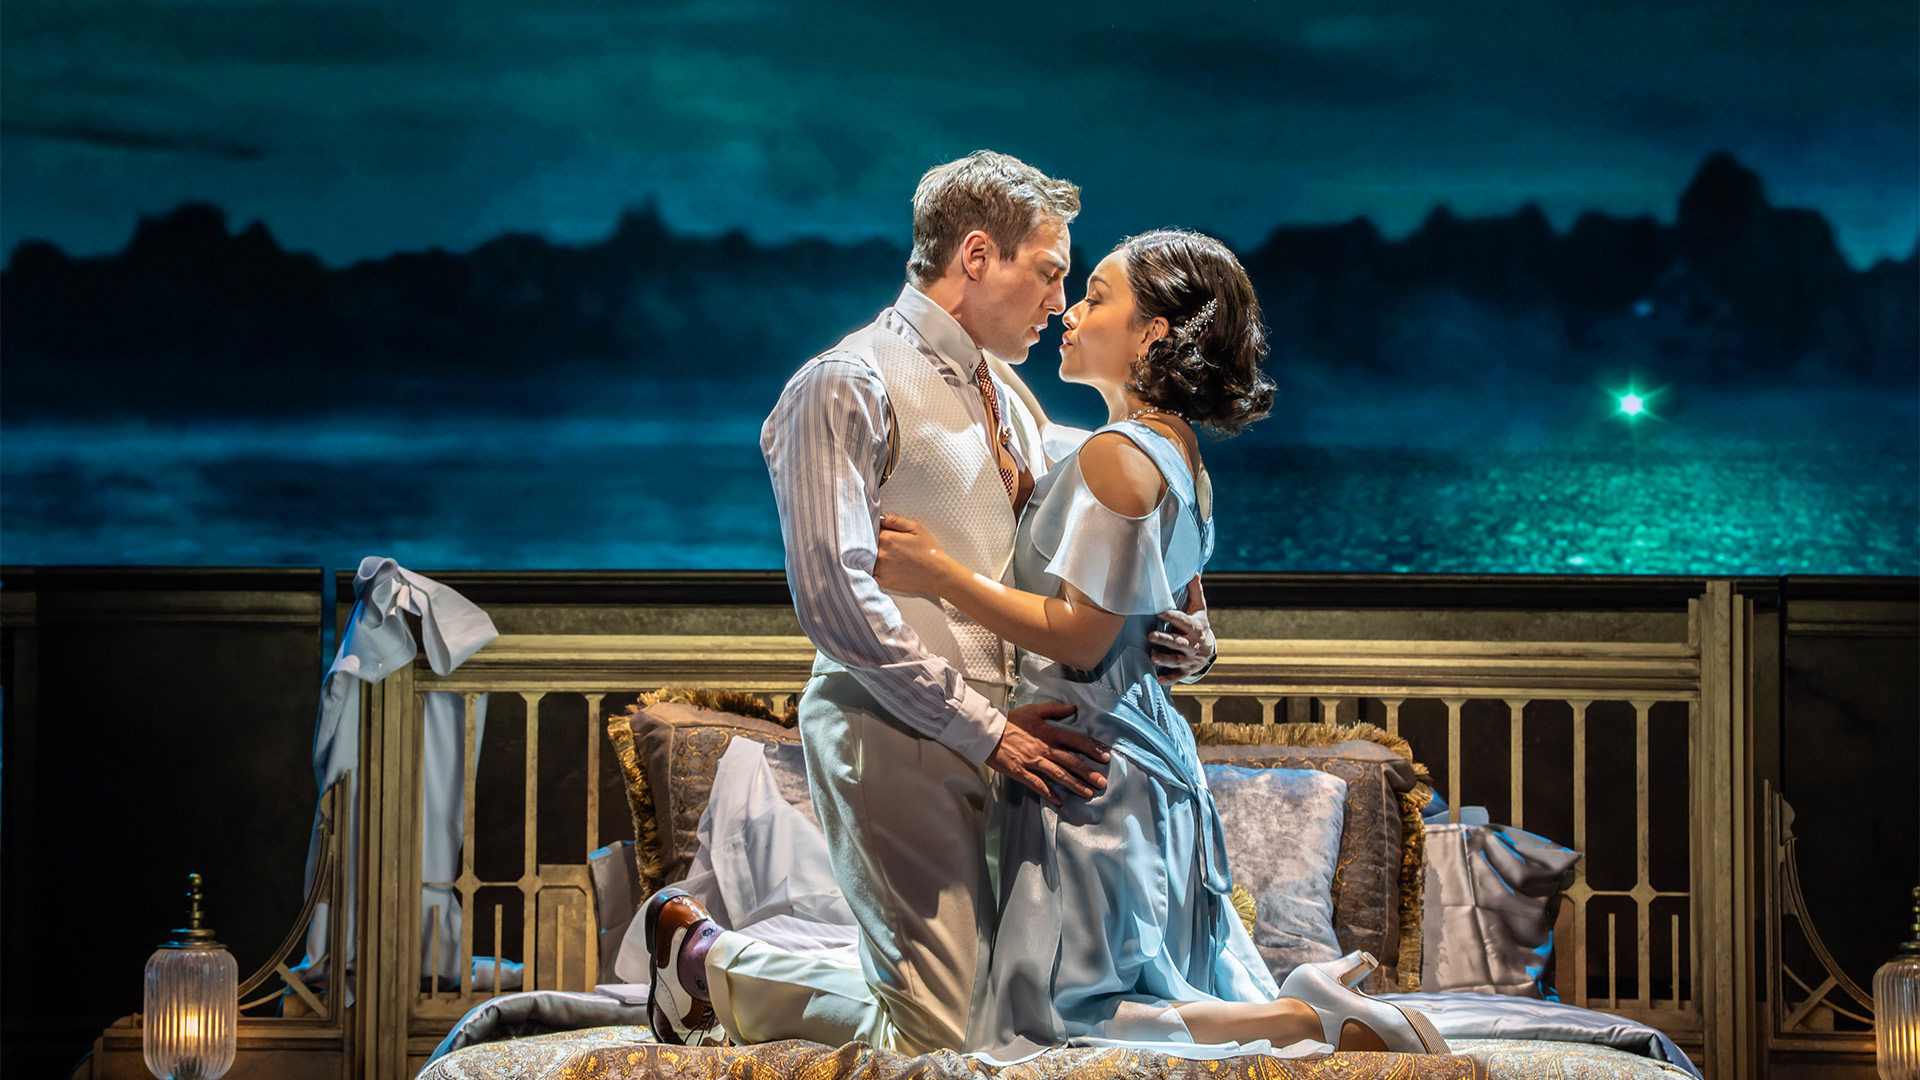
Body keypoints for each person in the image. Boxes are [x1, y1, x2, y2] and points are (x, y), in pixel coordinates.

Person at [639, 152, 1219, 1053]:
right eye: (1050, 272)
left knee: (1007, 1012)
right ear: (977, 256)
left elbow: (1132, 502)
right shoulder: (845, 382)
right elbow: (836, 602)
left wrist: (1186, 625)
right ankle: (710, 963)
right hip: (893, 728)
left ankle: (709, 962)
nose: (1060, 301)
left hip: (1014, 739)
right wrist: (987, 732)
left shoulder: (1009, 394)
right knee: (946, 1039)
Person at [870, 229, 1449, 1060]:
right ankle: (1305, 1012)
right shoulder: (1175, 453)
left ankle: (1304, 1018)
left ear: (1154, 333)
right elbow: (1175, 612)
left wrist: (939, 575)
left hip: (1092, 762)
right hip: (1149, 758)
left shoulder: (1116, 457)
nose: (1070, 312)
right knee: (1135, 991)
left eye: (1096, 297)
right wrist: (1193, 642)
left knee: (1065, 1020)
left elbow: (1082, 637)